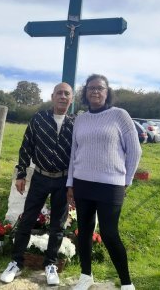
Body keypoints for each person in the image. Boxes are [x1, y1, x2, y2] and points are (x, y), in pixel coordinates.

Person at [66, 74, 142, 290]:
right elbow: (74, 152)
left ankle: (126, 283)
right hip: (82, 183)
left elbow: (135, 151)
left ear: (107, 92)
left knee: (109, 234)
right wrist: (70, 183)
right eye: (91, 88)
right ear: (85, 92)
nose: (95, 92)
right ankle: (85, 276)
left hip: (111, 186)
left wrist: (126, 181)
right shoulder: (80, 119)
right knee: (84, 232)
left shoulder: (120, 115)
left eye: (100, 88)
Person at [0, 82, 74, 286]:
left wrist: (74, 184)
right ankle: (16, 262)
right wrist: (21, 174)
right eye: (59, 93)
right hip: (40, 177)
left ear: (71, 99)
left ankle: (50, 264)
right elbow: (26, 146)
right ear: (52, 97)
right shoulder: (39, 119)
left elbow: (79, 155)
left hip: (63, 180)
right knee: (27, 220)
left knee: (58, 226)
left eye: (66, 93)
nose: (62, 96)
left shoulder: (76, 123)